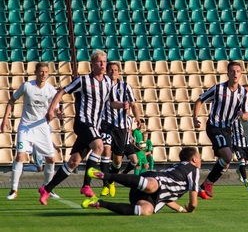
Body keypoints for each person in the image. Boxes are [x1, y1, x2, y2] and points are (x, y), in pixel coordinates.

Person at [39, 50, 126, 205]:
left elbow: (112, 102)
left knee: (74, 161)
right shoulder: (83, 80)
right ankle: (86, 185)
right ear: (92, 64)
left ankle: (46, 188)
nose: (103, 64)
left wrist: (122, 104)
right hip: (83, 123)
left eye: (104, 61)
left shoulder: (107, 82)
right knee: (99, 146)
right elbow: (61, 92)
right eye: (100, 62)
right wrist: (51, 110)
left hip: (95, 126)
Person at [81, 147, 201, 216]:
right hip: (151, 181)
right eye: (199, 158)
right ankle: (104, 175)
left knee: (146, 210)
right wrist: (190, 209)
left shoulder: (179, 168)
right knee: (152, 186)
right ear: (195, 160)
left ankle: (98, 202)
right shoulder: (193, 170)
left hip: (148, 192)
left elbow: (166, 196)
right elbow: (193, 203)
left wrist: (181, 209)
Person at [1, 62, 61, 200]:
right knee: (20, 156)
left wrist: (58, 113)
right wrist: (5, 119)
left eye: (46, 72)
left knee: (51, 158)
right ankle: (13, 190)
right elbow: (11, 101)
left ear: (48, 73)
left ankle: (47, 188)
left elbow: (56, 109)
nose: (43, 74)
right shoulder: (27, 86)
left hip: (42, 128)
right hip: (26, 127)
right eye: (41, 71)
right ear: (36, 72)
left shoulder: (50, 90)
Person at [193, 61, 248, 199]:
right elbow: (199, 100)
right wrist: (195, 117)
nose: (235, 73)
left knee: (226, 162)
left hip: (227, 129)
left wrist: (243, 116)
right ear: (228, 73)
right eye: (232, 71)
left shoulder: (243, 93)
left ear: (241, 74)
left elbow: (247, 115)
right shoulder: (218, 89)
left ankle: (203, 186)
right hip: (214, 126)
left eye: (237, 71)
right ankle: (208, 184)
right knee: (228, 156)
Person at [99, 61, 141, 197]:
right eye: (110, 70)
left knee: (117, 160)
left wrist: (138, 118)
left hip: (121, 126)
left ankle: (111, 180)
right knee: (106, 150)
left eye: (115, 70)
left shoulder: (125, 86)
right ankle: (105, 184)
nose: (113, 72)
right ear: (107, 71)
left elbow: (133, 104)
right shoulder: (102, 85)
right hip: (105, 123)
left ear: (119, 72)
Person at [231, 119, 248, 187]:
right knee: (242, 161)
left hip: (247, 144)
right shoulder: (233, 119)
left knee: (247, 162)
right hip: (237, 144)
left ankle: (239, 170)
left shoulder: (247, 118)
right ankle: (245, 180)